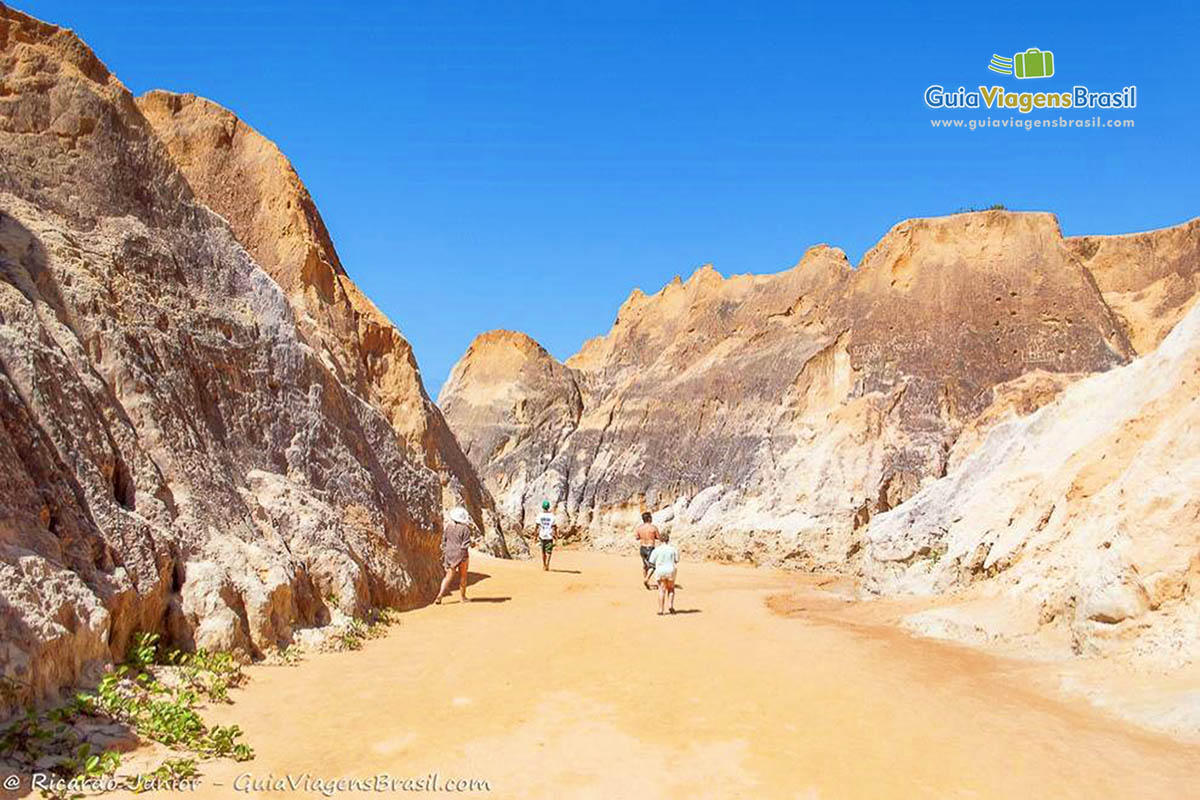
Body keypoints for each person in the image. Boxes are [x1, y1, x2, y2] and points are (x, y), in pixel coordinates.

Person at [435, 507, 474, 604]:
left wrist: (445, 551)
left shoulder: (448, 527)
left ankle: (440, 595)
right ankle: (463, 597)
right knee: (463, 576)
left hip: (449, 554)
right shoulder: (465, 529)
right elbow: (465, 544)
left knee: (448, 576)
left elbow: (444, 541)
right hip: (461, 555)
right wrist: (472, 544)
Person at [646, 530, 679, 615]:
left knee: (661, 590)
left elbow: (651, 562)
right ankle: (670, 606)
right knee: (671, 589)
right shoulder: (673, 549)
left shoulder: (657, 550)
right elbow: (676, 560)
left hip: (660, 570)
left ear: (660, 540)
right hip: (670, 569)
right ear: (668, 539)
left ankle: (661, 609)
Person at [633, 511, 660, 589]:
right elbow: (658, 537)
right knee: (653, 566)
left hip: (642, 548)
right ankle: (646, 579)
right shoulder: (653, 527)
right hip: (650, 548)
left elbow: (637, 538)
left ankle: (646, 580)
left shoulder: (639, 528)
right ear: (649, 518)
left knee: (645, 566)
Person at [535, 500, 557, 571]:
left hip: (542, 535)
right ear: (548, 507)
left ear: (542, 507)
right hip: (549, 536)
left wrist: (535, 536)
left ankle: (544, 564)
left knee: (543, 551)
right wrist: (555, 536)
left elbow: (537, 526)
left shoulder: (540, 515)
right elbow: (554, 527)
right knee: (549, 551)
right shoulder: (552, 516)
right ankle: (547, 564)